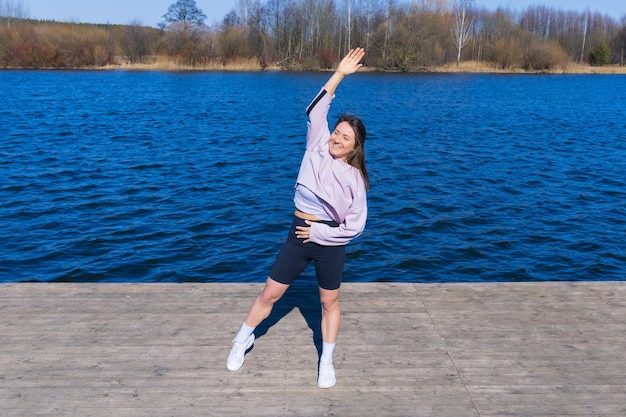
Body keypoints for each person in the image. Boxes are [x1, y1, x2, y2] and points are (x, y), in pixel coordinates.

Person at [226, 47, 369, 389]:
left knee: (328, 301)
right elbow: (315, 110)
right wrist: (339, 74)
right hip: (298, 231)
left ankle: (327, 361)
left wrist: (322, 234)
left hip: (327, 240)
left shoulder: (354, 179)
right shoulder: (316, 144)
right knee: (269, 294)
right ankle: (242, 339)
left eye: (344, 137)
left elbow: (355, 226)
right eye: (337, 132)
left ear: (353, 148)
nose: (336, 138)